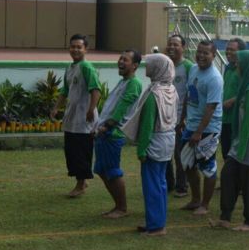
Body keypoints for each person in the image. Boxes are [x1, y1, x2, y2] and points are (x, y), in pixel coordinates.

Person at [212, 50, 249, 232]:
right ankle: (225, 217)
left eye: (239, 62)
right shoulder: (246, 86)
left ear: (248, 65)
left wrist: (242, 148)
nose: (236, 64)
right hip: (242, 141)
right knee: (228, 175)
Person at [123, 54, 177, 236]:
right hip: (167, 140)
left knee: (152, 185)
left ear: (158, 68)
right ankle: (156, 221)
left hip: (154, 142)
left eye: (150, 64)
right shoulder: (171, 89)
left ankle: (156, 226)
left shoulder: (154, 94)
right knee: (160, 183)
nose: (146, 67)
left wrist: (141, 149)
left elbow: (147, 125)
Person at [93, 50, 143, 218]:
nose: (120, 62)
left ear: (134, 66)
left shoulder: (134, 83)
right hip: (104, 132)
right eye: (120, 58)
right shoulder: (124, 82)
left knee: (112, 171)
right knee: (101, 169)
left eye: (125, 60)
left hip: (112, 134)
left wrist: (107, 126)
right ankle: (117, 206)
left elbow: (122, 108)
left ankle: (121, 208)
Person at [51, 33, 101, 197]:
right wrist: (56, 108)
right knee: (71, 151)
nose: (75, 50)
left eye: (79, 47)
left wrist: (90, 110)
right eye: (73, 46)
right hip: (72, 117)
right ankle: (81, 181)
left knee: (81, 152)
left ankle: (81, 185)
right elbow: (65, 91)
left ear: (86, 49)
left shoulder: (87, 67)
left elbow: (96, 90)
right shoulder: (70, 68)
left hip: (84, 118)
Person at [179, 40, 223, 215]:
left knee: (208, 167)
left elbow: (211, 107)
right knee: (187, 163)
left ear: (213, 55)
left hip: (208, 129)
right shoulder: (193, 69)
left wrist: (199, 132)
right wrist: (182, 118)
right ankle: (195, 200)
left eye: (206, 53)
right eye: (199, 51)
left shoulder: (215, 78)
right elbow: (189, 94)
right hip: (190, 125)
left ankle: (204, 205)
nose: (201, 56)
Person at [165, 34, 193, 197]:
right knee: (165, 152)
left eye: (175, 44)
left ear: (183, 47)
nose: (172, 47)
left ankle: (182, 186)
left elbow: (190, 94)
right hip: (165, 117)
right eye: (170, 44)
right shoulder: (166, 65)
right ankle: (168, 184)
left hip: (180, 119)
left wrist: (184, 118)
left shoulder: (188, 66)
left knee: (179, 153)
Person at [220, 38, 246, 160]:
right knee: (225, 152)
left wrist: (231, 101)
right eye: (227, 49)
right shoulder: (227, 68)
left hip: (236, 119)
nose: (228, 52)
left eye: (232, 50)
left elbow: (247, 91)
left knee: (234, 156)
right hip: (224, 119)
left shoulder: (244, 69)